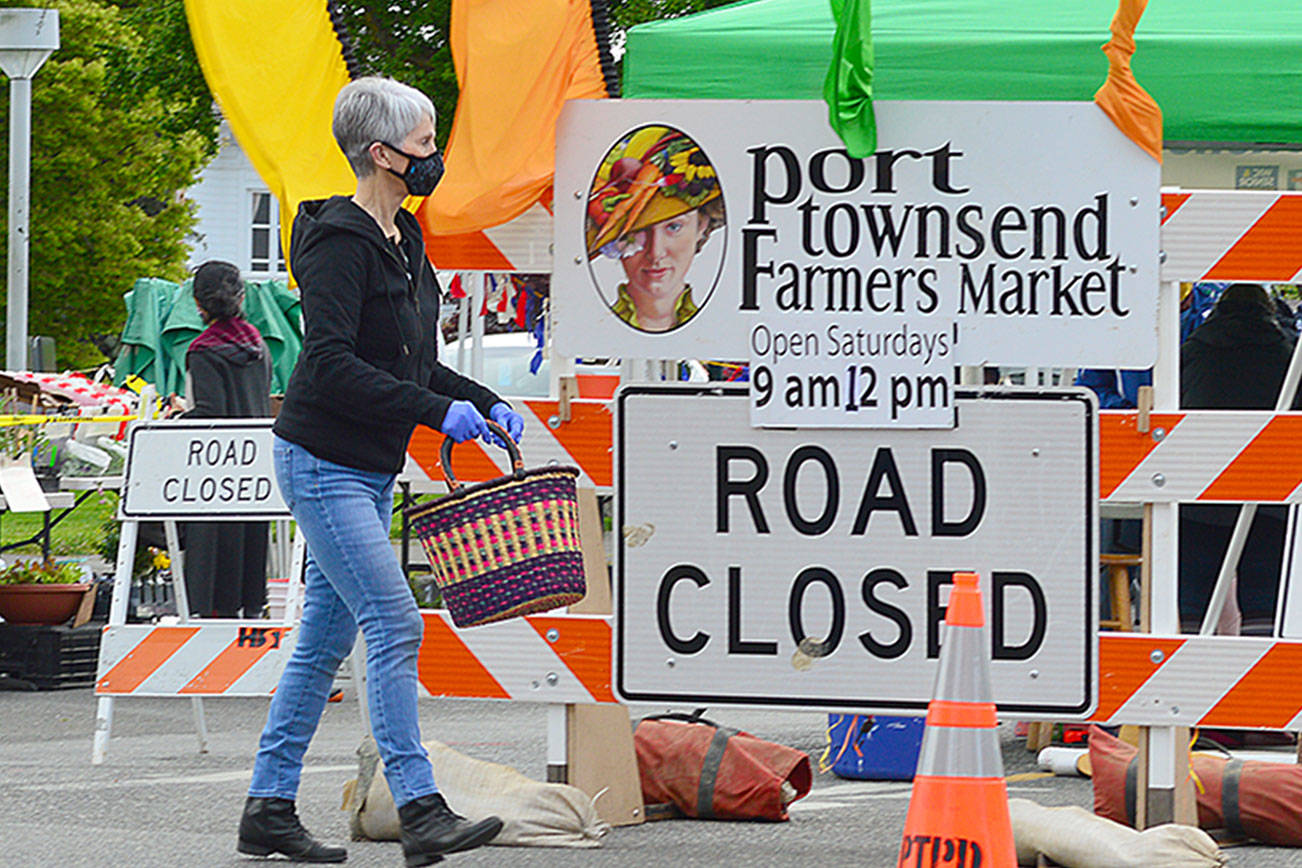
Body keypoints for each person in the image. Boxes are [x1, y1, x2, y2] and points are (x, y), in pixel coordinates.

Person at [238, 77, 523, 866]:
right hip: (323, 460)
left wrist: (484, 400)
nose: (434, 155)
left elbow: (415, 361)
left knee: (322, 642)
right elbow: (326, 364)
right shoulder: (338, 241)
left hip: (364, 469)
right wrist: (434, 415)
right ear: (381, 153)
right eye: (425, 143)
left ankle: (266, 808)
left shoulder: (406, 239)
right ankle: (420, 807)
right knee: (395, 622)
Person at [1179, 283, 1301, 633]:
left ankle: (1189, 668)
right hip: (1270, 493)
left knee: (1193, 594)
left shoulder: (1192, 351)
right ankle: (1259, 672)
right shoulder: (1289, 357)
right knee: (1264, 594)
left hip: (1199, 491)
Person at [175, 261, 272, 618]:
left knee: (214, 573)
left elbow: (209, 415)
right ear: (241, 297)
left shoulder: (203, 350)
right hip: (254, 464)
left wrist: (176, 418)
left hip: (216, 472)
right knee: (248, 565)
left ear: (199, 304)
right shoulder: (257, 344)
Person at [585, 126, 726, 332]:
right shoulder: (591, 329)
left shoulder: (718, 330)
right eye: (637, 233)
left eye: (673, 227)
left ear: (702, 226)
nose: (655, 252)